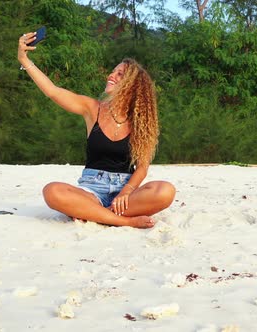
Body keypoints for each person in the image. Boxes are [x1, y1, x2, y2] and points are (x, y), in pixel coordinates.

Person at [17, 31, 176, 228]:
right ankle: (121, 220)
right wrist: (23, 58)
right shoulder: (92, 109)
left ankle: (97, 215)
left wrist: (126, 191)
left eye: (120, 74)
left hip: (127, 192)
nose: (111, 75)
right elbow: (53, 91)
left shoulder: (141, 122)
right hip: (91, 190)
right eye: (113, 71)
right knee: (52, 191)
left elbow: (142, 167)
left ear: (132, 85)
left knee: (165, 190)